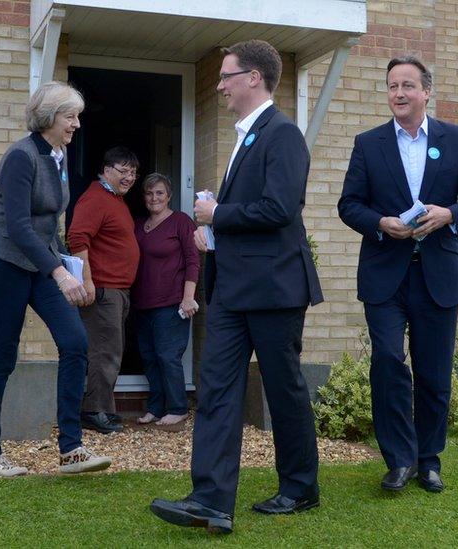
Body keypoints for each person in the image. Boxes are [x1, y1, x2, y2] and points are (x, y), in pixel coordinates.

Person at [150, 39, 324, 534]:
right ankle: (209, 500)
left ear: (254, 78)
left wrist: (217, 214)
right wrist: (214, 233)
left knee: (283, 389)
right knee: (218, 390)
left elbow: (281, 208)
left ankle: (299, 487)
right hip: (230, 290)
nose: (220, 85)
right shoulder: (245, 135)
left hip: (274, 289)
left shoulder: (282, 133)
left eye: (226, 76)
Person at [337, 55, 458, 493]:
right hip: (385, 273)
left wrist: (450, 213)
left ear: (427, 91)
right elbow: (349, 204)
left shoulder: (456, 139)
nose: (399, 94)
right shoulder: (368, 143)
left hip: (438, 274)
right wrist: (379, 223)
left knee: (434, 372)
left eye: (407, 85)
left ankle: (429, 459)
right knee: (387, 361)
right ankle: (399, 459)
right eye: (392, 86)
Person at [0, 81, 112, 477]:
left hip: (40, 264)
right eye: (71, 116)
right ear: (49, 117)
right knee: (4, 354)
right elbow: (18, 227)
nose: (76, 125)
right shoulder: (21, 156)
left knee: (75, 342)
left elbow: (51, 222)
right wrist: (59, 274)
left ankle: (71, 450)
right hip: (3, 263)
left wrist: (71, 268)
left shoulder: (58, 154)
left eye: (78, 116)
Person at [67, 147, 141, 434]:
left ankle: (103, 409)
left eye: (133, 172)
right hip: (104, 290)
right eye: (123, 171)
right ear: (106, 169)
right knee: (104, 352)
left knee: (111, 350)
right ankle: (93, 411)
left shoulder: (116, 200)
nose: (129, 177)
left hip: (118, 290)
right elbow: (76, 237)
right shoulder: (96, 197)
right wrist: (87, 281)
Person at [131, 173, 200, 428]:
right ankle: (156, 407)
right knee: (149, 356)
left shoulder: (181, 222)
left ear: (169, 196)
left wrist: (188, 298)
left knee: (167, 355)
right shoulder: (138, 224)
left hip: (172, 303)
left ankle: (178, 407)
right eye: (149, 193)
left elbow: (193, 261)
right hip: (142, 303)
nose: (154, 198)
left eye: (159, 193)